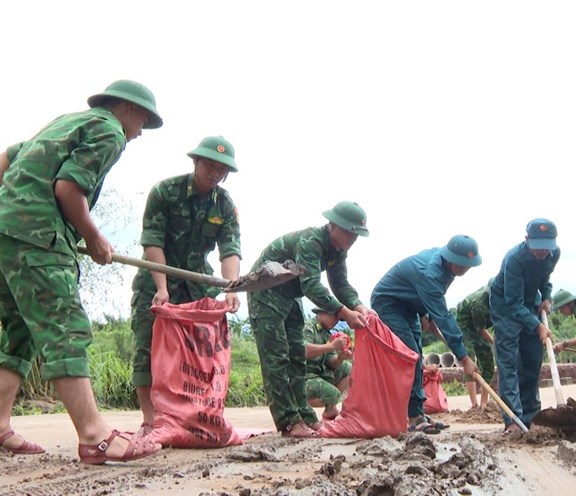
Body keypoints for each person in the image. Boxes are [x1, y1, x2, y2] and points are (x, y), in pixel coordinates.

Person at [0, 80, 163, 463]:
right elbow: (68, 187)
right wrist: (94, 238)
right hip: (37, 237)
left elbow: (8, 157)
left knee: (19, 333)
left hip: (6, 234)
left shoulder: (65, 122)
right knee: (65, 326)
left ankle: (0, 424)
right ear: (128, 110)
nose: (140, 133)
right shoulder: (109, 131)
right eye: (143, 122)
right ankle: (94, 435)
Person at [129, 136, 242, 435]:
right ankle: (151, 421)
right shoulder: (165, 192)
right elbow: (153, 240)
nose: (215, 173)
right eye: (210, 165)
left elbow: (229, 249)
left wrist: (230, 287)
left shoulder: (225, 205)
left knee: (199, 355)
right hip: (156, 278)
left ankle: (193, 416)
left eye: (222, 169)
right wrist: (162, 288)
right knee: (147, 348)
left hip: (196, 285)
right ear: (195, 161)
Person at [248, 201, 371, 438]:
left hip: (290, 296)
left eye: (356, 234)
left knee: (297, 357)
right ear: (333, 225)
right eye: (349, 231)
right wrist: (345, 313)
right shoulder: (312, 241)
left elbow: (340, 284)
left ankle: (304, 416)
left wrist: (358, 306)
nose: (353, 238)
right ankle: (288, 421)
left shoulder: (337, 250)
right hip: (266, 293)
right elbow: (312, 285)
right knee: (278, 357)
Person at [371, 235, 481, 434]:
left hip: (411, 303)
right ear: (451, 259)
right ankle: (413, 416)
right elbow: (444, 316)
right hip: (389, 302)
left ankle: (418, 411)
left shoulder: (445, 266)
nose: (466, 269)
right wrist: (464, 358)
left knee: (418, 355)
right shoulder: (430, 273)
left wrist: (425, 314)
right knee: (411, 356)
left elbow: (429, 298)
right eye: (462, 265)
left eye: (468, 265)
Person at [490, 218, 559, 433]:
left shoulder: (553, 254)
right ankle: (513, 420)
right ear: (527, 239)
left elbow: (544, 279)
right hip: (506, 307)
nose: (542, 253)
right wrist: (538, 326)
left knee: (532, 360)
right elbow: (513, 303)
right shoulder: (514, 259)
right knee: (509, 364)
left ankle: (531, 415)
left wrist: (546, 296)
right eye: (538, 248)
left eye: (546, 248)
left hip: (530, 304)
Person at [304, 309, 353, 421]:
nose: (336, 321)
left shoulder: (326, 333)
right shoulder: (308, 327)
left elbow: (330, 363)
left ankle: (330, 410)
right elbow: (304, 350)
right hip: (303, 376)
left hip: (318, 373)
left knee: (348, 368)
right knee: (333, 394)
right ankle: (299, 403)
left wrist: (341, 357)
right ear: (323, 312)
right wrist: (331, 346)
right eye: (335, 316)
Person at [455, 280, 495, 409]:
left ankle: (484, 403)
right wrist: (495, 343)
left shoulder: (500, 301)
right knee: (469, 361)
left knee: (488, 361)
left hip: (479, 325)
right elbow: (481, 330)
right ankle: (474, 404)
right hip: (465, 324)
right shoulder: (480, 304)